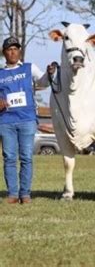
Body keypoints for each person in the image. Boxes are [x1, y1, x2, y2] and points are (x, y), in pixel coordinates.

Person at [0, 36, 54, 204]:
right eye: (9, 49)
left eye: (16, 48)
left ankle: (25, 194)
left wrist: (49, 73)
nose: (13, 52)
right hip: (5, 120)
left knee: (26, 158)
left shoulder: (29, 68)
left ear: (20, 51)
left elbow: (43, 83)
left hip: (27, 119)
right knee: (9, 157)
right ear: (4, 53)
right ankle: (13, 194)